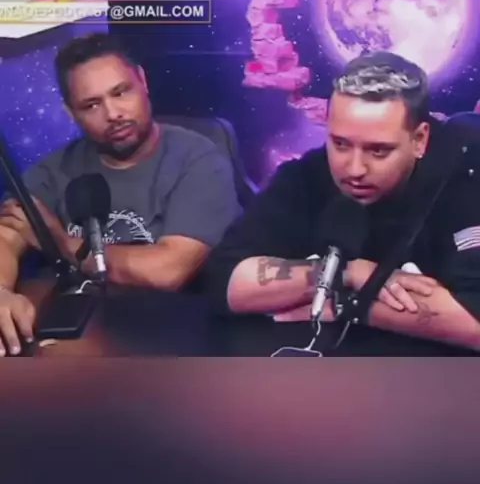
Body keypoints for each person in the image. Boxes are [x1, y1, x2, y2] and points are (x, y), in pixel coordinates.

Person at [204, 51, 480, 353]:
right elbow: (224, 281)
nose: (354, 169)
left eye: (378, 151)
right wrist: (348, 273)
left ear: (419, 140)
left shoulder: (465, 177)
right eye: (340, 144)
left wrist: (343, 304)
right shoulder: (307, 175)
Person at [0, 32, 240, 355]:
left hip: (166, 337)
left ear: (142, 81)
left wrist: (59, 241)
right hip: (71, 335)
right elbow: (7, 236)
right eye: (91, 105)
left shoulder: (199, 160)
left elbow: (168, 271)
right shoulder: (53, 170)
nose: (113, 114)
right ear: (71, 112)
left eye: (120, 92)